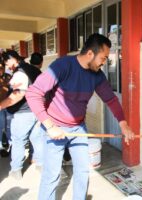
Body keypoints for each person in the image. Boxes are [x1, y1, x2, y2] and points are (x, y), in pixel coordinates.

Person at [25, 33, 135, 200]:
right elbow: (33, 93)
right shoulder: (62, 66)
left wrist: (123, 124)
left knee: (83, 171)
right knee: (52, 175)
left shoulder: (97, 75)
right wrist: (50, 126)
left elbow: (111, 99)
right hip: (55, 127)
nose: (104, 63)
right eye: (103, 58)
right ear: (90, 53)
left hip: (78, 128)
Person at [0, 50, 43, 180]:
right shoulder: (35, 70)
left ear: (13, 59)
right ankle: (41, 165)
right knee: (37, 139)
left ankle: (16, 170)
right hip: (38, 111)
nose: (7, 66)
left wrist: (1, 105)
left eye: (6, 63)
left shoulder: (20, 73)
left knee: (18, 141)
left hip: (24, 113)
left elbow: (18, 94)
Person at [0, 61, 11, 151]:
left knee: (9, 127)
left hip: (8, 105)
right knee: (1, 126)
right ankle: (1, 146)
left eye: (1, 68)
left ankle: (10, 145)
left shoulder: (8, 76)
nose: (0, 70)